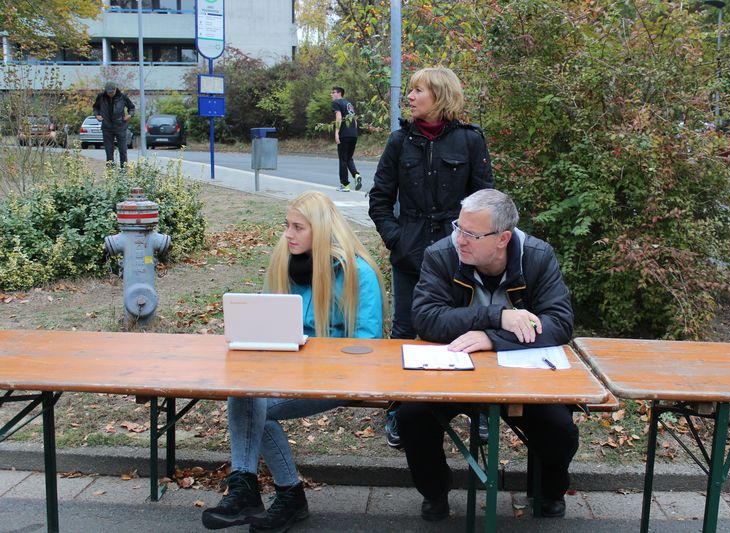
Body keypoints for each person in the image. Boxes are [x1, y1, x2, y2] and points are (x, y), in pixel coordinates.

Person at [201, 191, 387, 532]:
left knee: (252, 404)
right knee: (245, 392)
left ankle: (272, 492)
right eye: (287, 225)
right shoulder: (285, 265)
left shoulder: (358, 273)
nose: (288, 234)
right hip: (285, 371)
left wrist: (314, 356)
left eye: (298, 227)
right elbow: (266, 322)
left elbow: (368, 346)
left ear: (322, 230)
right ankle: (262, 488)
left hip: (339, 376)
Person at [395, 189, 578, 522]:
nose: (460, 240)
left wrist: (491, 339)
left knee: (559, 427)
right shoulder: (441, 255)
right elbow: (425, 318)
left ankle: (548, 491)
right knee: (412, 416)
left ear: (503, 239)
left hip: (521, 377)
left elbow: (559, 324)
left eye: (472, 234)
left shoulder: (537, 256)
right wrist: (497, 316)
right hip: (452, 373)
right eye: (458, 228)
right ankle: (434, 493)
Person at [368, 65, 494, 448]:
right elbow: (379, 199)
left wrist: (473, 243)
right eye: (410, 90)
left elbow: (485, 201)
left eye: (418, 90)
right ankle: (399, 410)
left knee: (466, 329)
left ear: (440, 95)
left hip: (460, 256)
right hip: (410, 256)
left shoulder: (470, 141)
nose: (409, 97)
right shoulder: (399, 142)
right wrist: (397, 240)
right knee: (404, 332)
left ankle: (476, 409)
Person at [92, 81, 135, 167]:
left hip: (120, 126)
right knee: (109, 151)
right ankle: (110, 171)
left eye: (112, 92)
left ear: (115, 89)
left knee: (123, 150)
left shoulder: (123, 97)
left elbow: (132, 108)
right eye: (108, 92)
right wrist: (97, 115)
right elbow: (95, 107)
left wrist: (129, 115)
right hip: (106, 127)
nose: (110, 94)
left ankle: (123, 170)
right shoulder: (101, 97)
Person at [331, 86, 361, 192]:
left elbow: (338, 117)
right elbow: (355, 120)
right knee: (349, 158)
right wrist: (354, 132)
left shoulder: (336, 103)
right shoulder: (349, 104)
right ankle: (356, 175)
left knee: (343, 159)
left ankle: (345, 185)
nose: (331, 94)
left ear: (339, 93)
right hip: (353, 134)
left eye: (333, 92)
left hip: (344, 134)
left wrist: (336, 133)